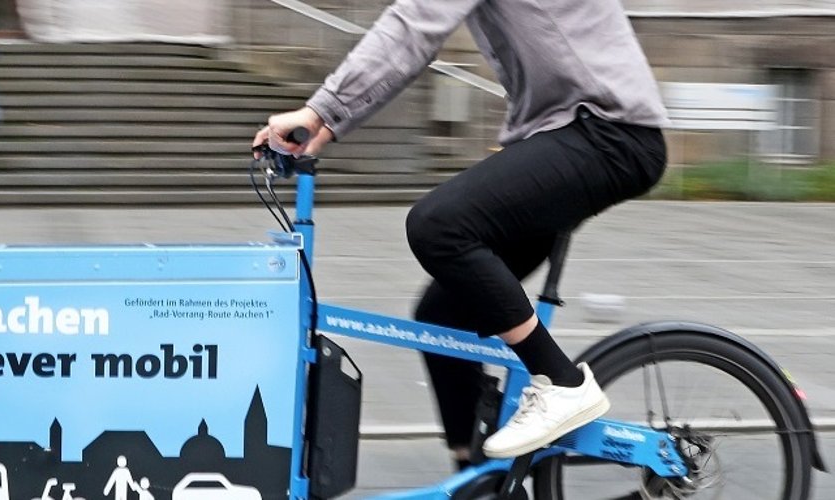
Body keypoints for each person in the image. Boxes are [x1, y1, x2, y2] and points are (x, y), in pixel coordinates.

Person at [253, 0, 668, 466]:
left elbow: (413, 28)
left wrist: (319, 111)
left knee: (439, 225)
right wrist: (323, 125)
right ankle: (475, 473)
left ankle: (561, 383)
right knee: (442, 313)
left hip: (607, 134)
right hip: (572, 134)